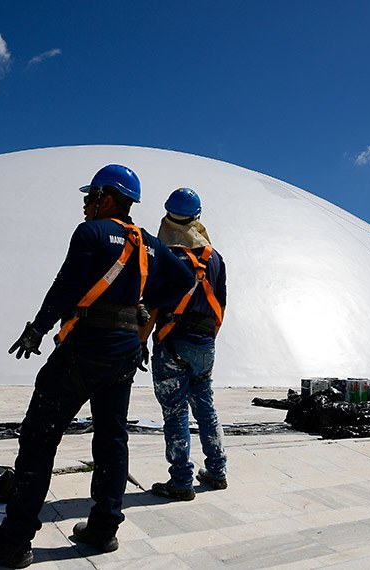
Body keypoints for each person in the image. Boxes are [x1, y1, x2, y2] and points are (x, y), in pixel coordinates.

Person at [0, 165, 195, 568]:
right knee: (112, 440)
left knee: (38, 440)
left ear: (107, 197)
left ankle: (14, 542)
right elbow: (183, 282)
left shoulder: (90, 233)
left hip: (82, 351)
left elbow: (65, 285)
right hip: (124, 354)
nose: (87, 204)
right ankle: (103, 530)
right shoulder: (153, 246)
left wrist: (37, 328)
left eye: (91, 197)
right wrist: (142, 305)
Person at [139, 187, 228, 501]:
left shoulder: (165, 256)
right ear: (197, 216)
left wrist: (143, 340)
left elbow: (152, 306)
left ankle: (181, 481)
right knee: (206, 409)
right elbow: (222, 305)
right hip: (205, 343)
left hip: (171, 342)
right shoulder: (214, 257)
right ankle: (217, 471)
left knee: (175, 413)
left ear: (168, 216)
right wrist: (206, 342)